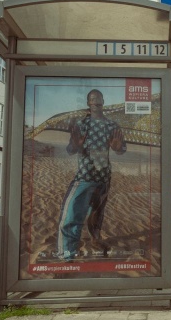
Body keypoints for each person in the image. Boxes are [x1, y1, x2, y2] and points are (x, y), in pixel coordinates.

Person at [57, 89, 127, 261]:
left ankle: (95, 241)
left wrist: (118, 147)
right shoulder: (81, 124)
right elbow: (70, 150)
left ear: (103, 101)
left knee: (96, 214)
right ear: (88, 103)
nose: (95, 101)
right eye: (92, 99)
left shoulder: (112, 126)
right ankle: (67, 256)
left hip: (103, 178)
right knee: (72, 215)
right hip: (84, 176)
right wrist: (75, 144)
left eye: (98, 98)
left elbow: (121, 150)